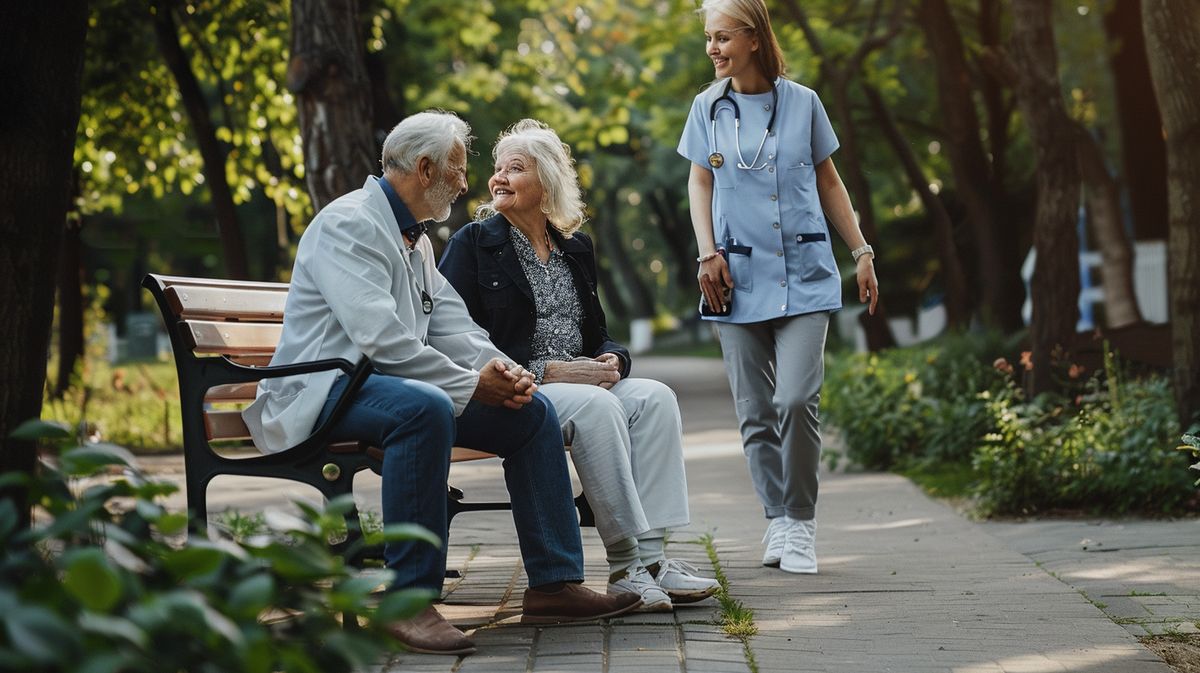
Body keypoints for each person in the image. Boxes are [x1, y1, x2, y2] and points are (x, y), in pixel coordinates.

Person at [243, 111, 641, 656]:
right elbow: (382, 338)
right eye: (456, 168)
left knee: (531, 413)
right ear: (425, 168)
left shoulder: (416, 240)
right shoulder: (351, 224)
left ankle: (554, 583)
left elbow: (454, 325)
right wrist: (472, 386)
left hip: (382, 385)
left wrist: (507, 374)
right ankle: (407, 601)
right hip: (319, 390)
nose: (463, 180)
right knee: (424, 408)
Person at [439, 119, 720, 611]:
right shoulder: (473, 244)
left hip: (580, 382)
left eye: (516, 168)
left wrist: (614, 357)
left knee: (655, 398)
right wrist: (546, 371)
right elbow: (454, 336)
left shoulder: (575, 249)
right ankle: (626, 565)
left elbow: (599, 334)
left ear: (545, 182)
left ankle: (655, 561)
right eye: (498, 168)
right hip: (520, 386)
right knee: (597, 408)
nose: (498, 177)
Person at [677, 0, 879, 575]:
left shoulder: (804, 103)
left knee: (795, 400)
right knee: (754, 410)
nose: (713, 48)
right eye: (709, 38)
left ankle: (803, 523)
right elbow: (699, 182)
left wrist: (861, 251)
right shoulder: (706, 108)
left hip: (806, 277)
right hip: (734, 280)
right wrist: (706, 252)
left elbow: (829, 181)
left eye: (722, 37)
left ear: (754, 37)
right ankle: (778, 520)